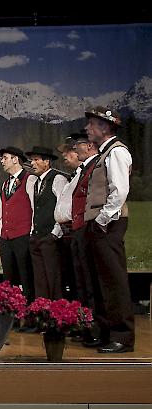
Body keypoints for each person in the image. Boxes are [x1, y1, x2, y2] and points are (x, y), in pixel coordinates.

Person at [83, 106, 134, 354]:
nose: (87, 128)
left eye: (91, 124)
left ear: (105, 127)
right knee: (100, 281)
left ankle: (122, 336)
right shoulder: (105, 154)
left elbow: (120, 191)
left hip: (109, 223)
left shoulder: (116, 152)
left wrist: (103, 219)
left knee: (113, 280)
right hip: (101, 223)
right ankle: (105, 331)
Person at [68, 132, 104, 345]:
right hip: (77, 228)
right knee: (81, 283)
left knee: (90, 284)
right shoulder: (83, 170)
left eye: (78, 145)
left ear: (90, 146)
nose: (75, 149)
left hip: (88, 227)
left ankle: (96, 330)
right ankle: (85, 326)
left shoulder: (95, 167)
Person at [25, 146, 69, 300]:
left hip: (50, 238)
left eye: (36, 160)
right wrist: (32, 232)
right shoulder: (35, 182)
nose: (32, 163)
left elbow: (62, 208)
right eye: (32, 160)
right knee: (40, 281)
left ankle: (56, 314)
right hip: (36, 237)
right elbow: (33, 209)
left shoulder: (58, 179)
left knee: (53, 279)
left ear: (47, 162)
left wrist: (54, 234)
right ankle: (42, 314)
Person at [0, 146, 36, 303]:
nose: (2, 161)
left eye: (5, 158)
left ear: (15, 159)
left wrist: (32, 233)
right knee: (8, 278)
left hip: (23, 235)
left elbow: (34, 208)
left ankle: (29, 311)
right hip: (6, 237)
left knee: (26, 276)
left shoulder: (29, 179)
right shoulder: (5, 184)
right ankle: (10, 310)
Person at [53, 133, 85, 304]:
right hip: (66, 233)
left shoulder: (84, 175)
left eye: (67, 151)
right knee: (70, 277)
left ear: (77, 150)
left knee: (79, 278)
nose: (64, 155)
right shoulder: (73, 176)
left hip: (76, 230)